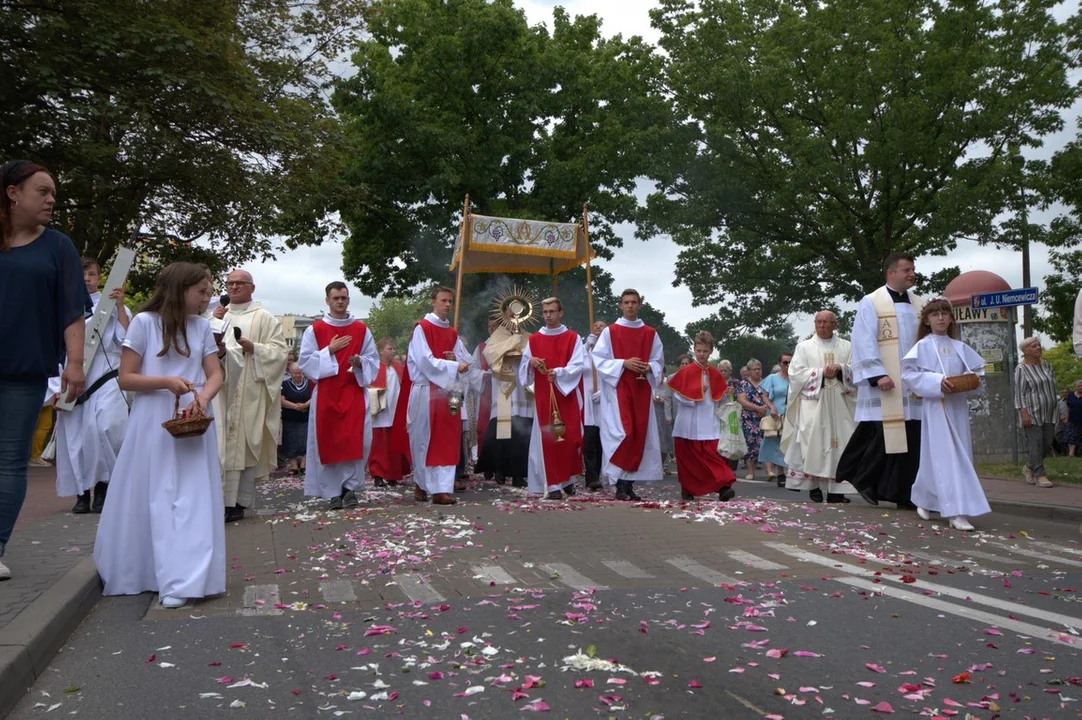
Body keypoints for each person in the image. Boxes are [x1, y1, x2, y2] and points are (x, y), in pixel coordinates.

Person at [94, 262, 225, 608]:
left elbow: (214, 374)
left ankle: (186, 578)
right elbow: (126, 377)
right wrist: (167, 382)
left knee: (193, 498)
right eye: (201, 291)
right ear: (180, 289)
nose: (206, 297)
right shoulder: (143, 324)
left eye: (208, 291)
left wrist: (203, 398)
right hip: (153, 418)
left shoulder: (201, 328)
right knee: (158, 494)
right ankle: (154, 571)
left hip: (193, 416)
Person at [0, 160, 87, 581]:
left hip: (24, 370)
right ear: (13, 192)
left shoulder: (58, 247)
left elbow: (71, 311)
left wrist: (75, 363)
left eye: (53, 193)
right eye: (43, 191)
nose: (51, 200)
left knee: (9, 461)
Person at [837, 252, 924, 509]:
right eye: (906, 270)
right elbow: (863, 340)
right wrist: (877, 374)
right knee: (881, 438)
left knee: (910, 439)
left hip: (912, 383)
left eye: (912, 269)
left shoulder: (921, 303)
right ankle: (862, 478)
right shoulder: (872, 301)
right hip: (886, 382)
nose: (911, 274)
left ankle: (901, 492)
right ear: (891, 273)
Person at [901, 297, 989, 531]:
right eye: (934, 314)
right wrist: (937, 381)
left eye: (944, 314)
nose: (940, 318)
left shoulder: (960, 347)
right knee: (947, 457)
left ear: (951, 319)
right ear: (927, 321)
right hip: (937, 407)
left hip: (957, 407)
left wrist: (970, 382)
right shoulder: (922, 346)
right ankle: (955, 512)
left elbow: (979, 375)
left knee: (943, 457)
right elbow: (909, 374)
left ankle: (923, 498)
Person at [53, 257, 131, 513]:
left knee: (105, 428)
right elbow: (54, 349)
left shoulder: (111, 306)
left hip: (106, 374)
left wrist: (119, 308)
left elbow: (127, 341)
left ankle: (105, 487)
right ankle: (82, 493)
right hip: (72, 377)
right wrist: (55, 388)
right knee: (76, 438)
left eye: (91, 274)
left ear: (99, 278)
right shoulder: (62, 306)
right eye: (81, 274)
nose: (86, 278)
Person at [213, 269, 288, 521]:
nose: (234, 287)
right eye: (230, 283)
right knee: (219, 443)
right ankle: (215, 499)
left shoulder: (264, 318)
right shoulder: (214, 314)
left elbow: (279, 352)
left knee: (243, 444)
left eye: (240, 283)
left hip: (248, 391)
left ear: (252, 288)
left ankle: (237, 502)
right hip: (220, 390)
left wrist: (254, 347)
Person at [299, 281, 379, 510]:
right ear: (327, 300)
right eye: (336, 298)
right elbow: (305, 363)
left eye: (344, 297)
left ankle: (350, 489)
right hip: (327, 394)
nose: (340, 302)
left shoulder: (362, 330)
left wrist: (360, 362)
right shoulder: (314, 330)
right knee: (329, 442)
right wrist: (329, 351)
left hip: (353, 391)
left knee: (356, 442)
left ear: (348, 299)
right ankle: (332, 492)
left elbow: (372, 360)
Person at [392, 286, 471, 505]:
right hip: (426, 391)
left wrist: (456, 360)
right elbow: (424, 361)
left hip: (446, 394)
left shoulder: (453, 333)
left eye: (450, 301)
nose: (447, 304)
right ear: (433, 302)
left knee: (446, 440)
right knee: (423, 441)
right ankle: (421, 483)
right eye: (443, 300)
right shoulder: (422, 328)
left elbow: (465, 361)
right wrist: (452, 365)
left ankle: (441, 490)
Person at [592, 289, 665, 500]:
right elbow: (599, 359)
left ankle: (627, 485)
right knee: (625, 433)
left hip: (641, 390)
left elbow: (658, 361)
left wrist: (648, 368)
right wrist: (624, 363)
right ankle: (619, 483)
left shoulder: (651, 333)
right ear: (620, 305)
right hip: (619, 389)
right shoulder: (611, 332)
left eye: (634, 302)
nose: (630, 306)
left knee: (638, 435)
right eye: (626, 302)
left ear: (640, 305)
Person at [781, 311, 858, 503]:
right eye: (819, 322)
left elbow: (858, 369)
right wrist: (821, 372)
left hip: (839, 404)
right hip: (813, 404)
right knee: (810, 445)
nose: (822, 326)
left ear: (835, 325)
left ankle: (836, 490)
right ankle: (813, 486)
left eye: (826, 322)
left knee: (840, 445)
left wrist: (841, 369)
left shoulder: (847, 346)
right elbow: (795, 374)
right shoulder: (804, 347)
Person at [519, 297, 585, 499]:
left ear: (560, 312)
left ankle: (566, 479)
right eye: (545, 312)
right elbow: (523, 369)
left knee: (569, 437)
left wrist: (559, 373)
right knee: (548, 438)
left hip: (566, 394)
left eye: (552, 311)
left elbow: (578, 365)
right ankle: (553, 483)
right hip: (544, 395)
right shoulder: (534, 339)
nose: (548, 315)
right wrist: (531, 362)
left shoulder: (573, 338)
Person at [668, 331, 736, 501]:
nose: (701, 354)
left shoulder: (715, 373)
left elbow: (720, 402)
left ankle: (723, 487)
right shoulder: (686, 372)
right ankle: (688, 489)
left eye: (705, 351)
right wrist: (694, 393)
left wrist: (727, 394)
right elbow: (678, 397)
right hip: (688, 423)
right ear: (694, 350)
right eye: (698, 351)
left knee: (714, 456)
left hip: (709, 422)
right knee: (689, 461)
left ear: (711, 351)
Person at [475, 305, 533, 488]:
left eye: (517, 314)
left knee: (522, 431)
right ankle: (499, 469)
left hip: (522, 388)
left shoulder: (528, 336)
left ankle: (518, 473)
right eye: (510, 314)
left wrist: (524, 355)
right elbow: (491, 355)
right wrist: (512, 344)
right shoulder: (497, 336)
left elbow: (533, 355)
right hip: (504, 385)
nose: (513, 317)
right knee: (502, 429)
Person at [1014, 337, 1057, 488]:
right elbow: (1019, 393)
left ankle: (1029, 468)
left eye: (1039, 345)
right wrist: (1024, 413)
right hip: (1032, 412)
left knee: (1047, 443)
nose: (1038, 348)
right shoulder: (1021, 369)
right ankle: (1040, 475)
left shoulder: (1047, 366)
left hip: (1050, 412)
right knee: (1035, 444)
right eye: (1034, 346)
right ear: (1026, 351)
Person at [368, 337, 409, 488]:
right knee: (379, 445)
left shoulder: (398, 367)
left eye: (393, 349)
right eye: (389, 349)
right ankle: (378, 474)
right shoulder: (374, 367)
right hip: (380, 412)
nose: (393, 352)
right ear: (380, 351)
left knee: (394, 445)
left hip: (396, 412)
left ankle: (393, 475)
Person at [736, 359, 775, 480]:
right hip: (749, 417)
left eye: (759, 369)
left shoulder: (766, 382)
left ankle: (769, 471)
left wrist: (765, 409)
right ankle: (751, 472)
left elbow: (771, 397)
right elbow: (742, 401)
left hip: (764, 416)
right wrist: (758, 408)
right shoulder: (743, 384)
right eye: (754, 369)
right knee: (750, 444)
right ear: (748, 371)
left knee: (766, 442)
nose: (757, 371)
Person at [758, 353, 791, 486]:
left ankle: (790, 472)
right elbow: (764, 396)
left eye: (790, 362)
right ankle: (780, 473)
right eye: (785, 362)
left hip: (790, 413)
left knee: (788, 442)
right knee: (776, 442)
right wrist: (771, 407)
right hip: (776, 413)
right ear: (779, 364)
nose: (788, 365)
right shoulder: (772, 378)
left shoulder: (795, 379)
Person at [581, 320, 606, 491]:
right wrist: (585, 346)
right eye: (595, 325)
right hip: (588, 401)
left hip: (604, 401)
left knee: (602, 442)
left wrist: (603, 393)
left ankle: (601, 475)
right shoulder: (586, 350)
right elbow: (574, 364)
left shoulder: (608, 350)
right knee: (589, 441)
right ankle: (591, 478)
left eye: (602, 326)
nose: (598, 328)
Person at [280, 363, 311, 476]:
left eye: (300, 373)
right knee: (290, 441)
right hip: (290, 418)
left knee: (306, 441)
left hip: (306, 417)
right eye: (295, 373)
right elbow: (281, 400)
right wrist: (296, 407)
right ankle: (294, 466)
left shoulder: (309, 383)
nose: (298, 375)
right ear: (291, 373)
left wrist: (304, 405)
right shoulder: (285, 384)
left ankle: (303, 464)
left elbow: (314, 397)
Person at [1065, 380, 1082, 458]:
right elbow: (1068, 407)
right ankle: (1071, 454)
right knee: (1071, 435)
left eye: (1081, 386)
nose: (1080, 387)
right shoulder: (1071, 395)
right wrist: (1066, 417)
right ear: (1075, 387)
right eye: (1078, 386)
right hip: (1072, 419)